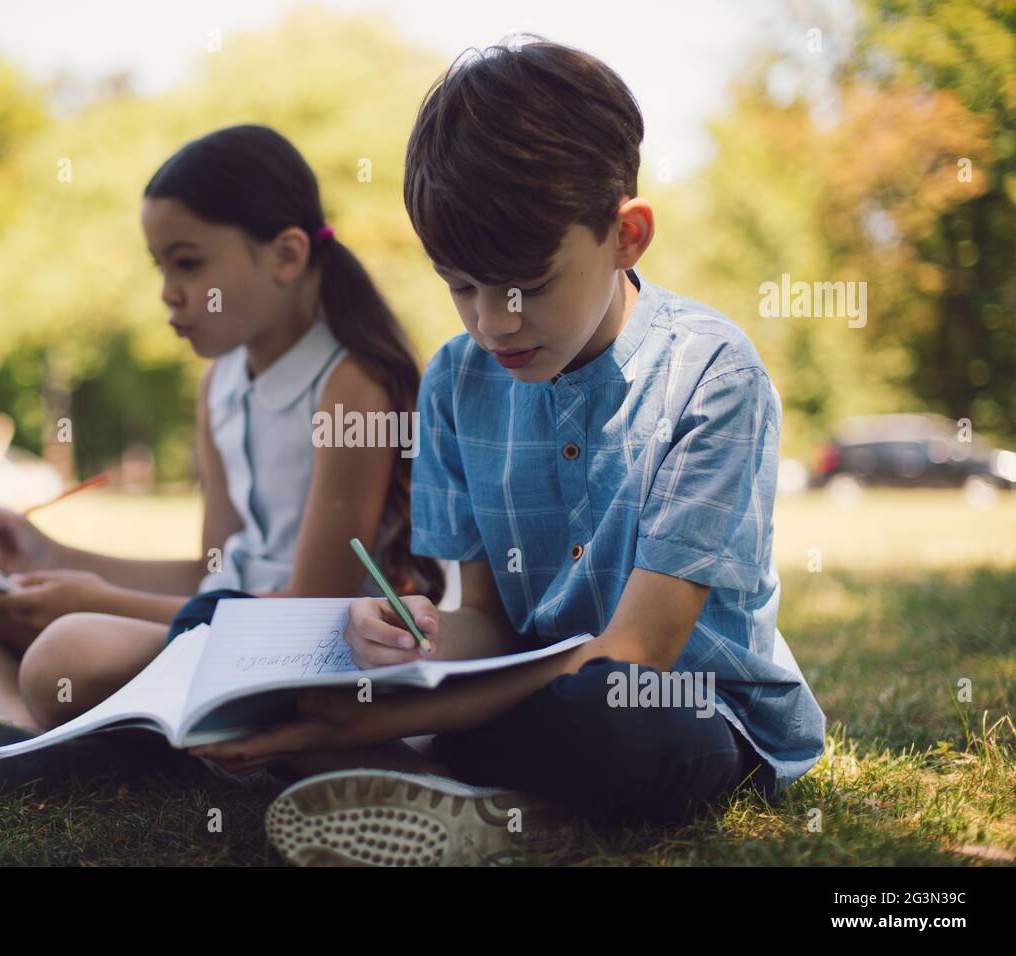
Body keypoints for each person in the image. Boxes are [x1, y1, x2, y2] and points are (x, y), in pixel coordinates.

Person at [189, 39, 827, 866]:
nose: (493, 322)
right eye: (461, 286)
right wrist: (416, 638)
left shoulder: (712, 376)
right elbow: (485, 620)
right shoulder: (458, 381)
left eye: (526, 285)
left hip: (681, 708)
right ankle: (477, 800)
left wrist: (387, 716)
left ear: (626, 236)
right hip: (516, 690)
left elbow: (639, 653)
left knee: (608, 718)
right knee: (287, 653)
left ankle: (418, 771)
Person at [0, 125, 442, 792]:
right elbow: (206, 570)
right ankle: (31, 744)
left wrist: (101, 600)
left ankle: (60, 735)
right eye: (161, 266)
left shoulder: (350, 385)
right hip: (215, 629)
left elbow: (311, 605)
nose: (168, 292)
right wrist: (50, 554)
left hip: (303, 649)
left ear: (286, 255)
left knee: (67, 653)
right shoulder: (219, 383)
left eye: (188, 263)